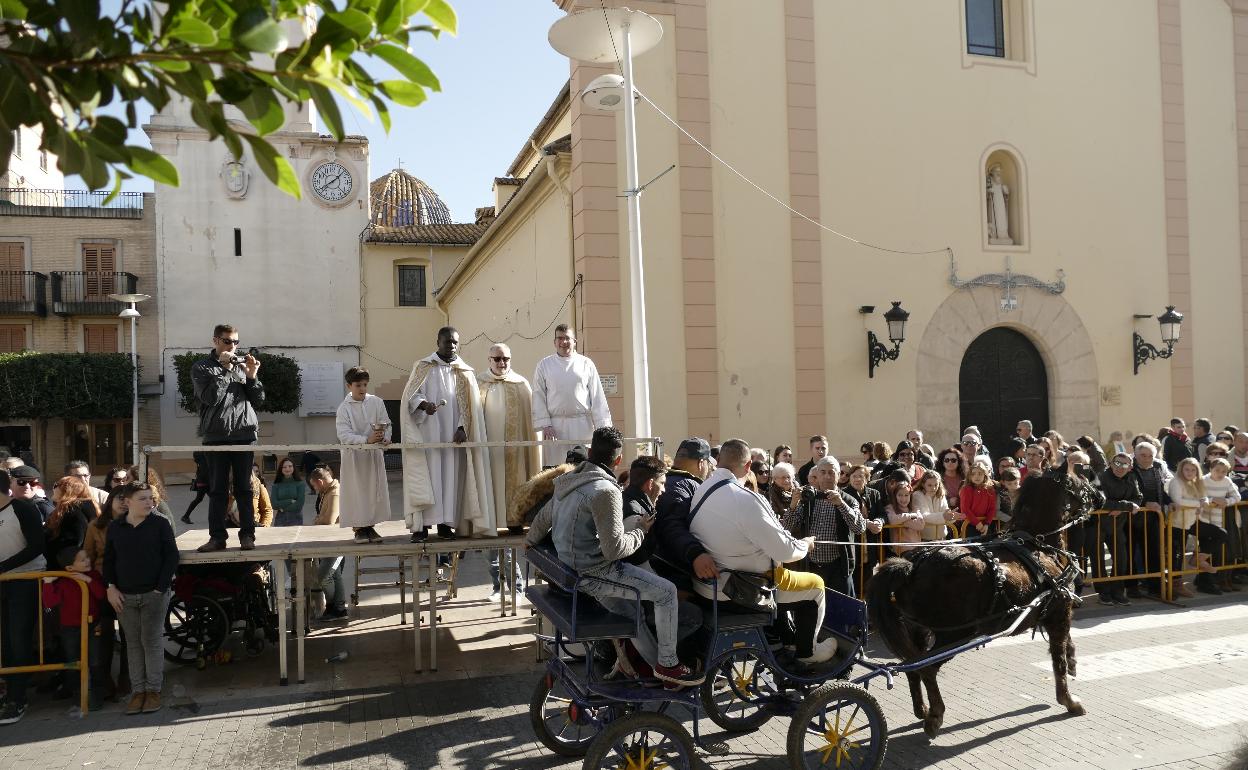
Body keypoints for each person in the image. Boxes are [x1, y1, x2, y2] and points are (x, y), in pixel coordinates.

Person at [550, 427, 701, 686]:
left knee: (641, 611)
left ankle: (652, 666)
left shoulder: (571, 482)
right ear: (618, 460)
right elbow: (616, 552)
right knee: (667, 595)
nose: (664, 492)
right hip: (595, 575)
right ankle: (666, 665)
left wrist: (530, 542)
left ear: (589, 452)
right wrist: (641, 531)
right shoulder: (608, 492)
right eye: (662, 485)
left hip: (577, 571)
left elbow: (544, 517)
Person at [692, 439, 839, 665]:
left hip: (708, 586)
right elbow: (785, 551)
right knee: (816, 585)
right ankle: (807, 652)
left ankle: (788, 639)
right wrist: (806, 544)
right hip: (742, 589)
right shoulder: (745, 499)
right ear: (749, 465)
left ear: (719, 460)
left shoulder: (702, 490)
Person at [400, 327, 494, 543]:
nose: (451, 346)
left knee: (450, 477)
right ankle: (421, 527)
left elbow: (470, 406)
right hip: (428, 433)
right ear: (438, 342)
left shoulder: (464, 371)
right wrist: (423, 405)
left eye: (455, 342)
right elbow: (411, 396)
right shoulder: (423, 366)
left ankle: (445, 525)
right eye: (447, 342)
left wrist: (462, 427)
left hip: (453, 435)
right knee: (427, 477)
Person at [104, 482, 178, 715]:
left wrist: (160, 589)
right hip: (124, 596)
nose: (149, 503)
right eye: (143, 499)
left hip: (153, 594)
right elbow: (108, 560)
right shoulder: (116, 527)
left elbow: (171, 556)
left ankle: (153, 691)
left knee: (152, 641)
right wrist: (111, 587)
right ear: (128, 502)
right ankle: (138, 692)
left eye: (150, 498)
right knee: (133, 643)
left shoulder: (160, 523)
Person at [192, 324, 265, 553]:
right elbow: (210, 398)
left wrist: (252, 377)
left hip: (244, 434)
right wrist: (224, 369)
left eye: (236, 342)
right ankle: (217, 538)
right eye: (227, 341)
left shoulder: (242, 366)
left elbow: (259, 400)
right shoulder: (201, 367)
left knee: (244, 488)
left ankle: (247, 536)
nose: (232, 346)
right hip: (216, 435)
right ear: (215, 341)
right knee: (217, 489)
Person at [784, 455, 881, 598]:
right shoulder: (807, 498)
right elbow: (788, 526)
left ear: (838, 475)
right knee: (811, 612)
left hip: (839, 567)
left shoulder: (848, 499)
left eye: (831, 472)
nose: (827, 476)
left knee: (840, 613)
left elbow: (859, 528)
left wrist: (841, 505)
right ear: (816, 475)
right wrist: (793, 505)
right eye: (823, 472)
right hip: (810, 567)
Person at [477, 343, 541, 533]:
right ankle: (489, 522)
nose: (501, 362)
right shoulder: (479, 383)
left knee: (518, 481)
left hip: (516, 451)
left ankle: (515, 520)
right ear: (489, 360)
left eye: (505, 359)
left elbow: (531, 422)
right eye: (497, 359)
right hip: (488, 450)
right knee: (489, 483)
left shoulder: (520, 384)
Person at [0, 467, 46, 725]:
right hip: (4, 584)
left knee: (19, 638)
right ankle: (10, 694)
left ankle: (18, 698)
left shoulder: (22, 509)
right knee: (5, 641)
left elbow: (37, 546)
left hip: (25, 581)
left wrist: (4, 566)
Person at [531, 324, 613, 467]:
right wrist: (545, 424)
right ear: (554, 342)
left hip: (582, 426)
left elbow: (597, 396)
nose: (564, 342)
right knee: (555, 470)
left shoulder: (586, 364)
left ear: (575, 341)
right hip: (554, 428)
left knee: (581, 466)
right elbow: (538, 395)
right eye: (560, 338)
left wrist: (603, 428)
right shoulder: (544, 365)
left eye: (567, 338)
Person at [42, 547, 106, 709]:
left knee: (95, 660)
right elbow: (50, 602)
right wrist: (48, 584)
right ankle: (75, 691)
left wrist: (88, 580)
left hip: (92, 624)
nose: (87, 561)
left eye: (87, 557)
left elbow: (101, 595)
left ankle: (97, 694)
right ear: (70, 568)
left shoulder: (94, 576)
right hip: (69, 628)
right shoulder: (63, 582)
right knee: (73, 660)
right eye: (82, 560)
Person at [652, 438, 719, 588]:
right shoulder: (684, 485)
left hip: (668, 567)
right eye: (709, 464)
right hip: (675, 572)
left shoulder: (668, 481)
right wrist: (695, 553)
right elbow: (671, 526)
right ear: (702, 463)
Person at [335, 367, 391, 545]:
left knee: (373, 491)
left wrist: (385, 437)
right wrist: (366, 440)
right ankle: (359, 528)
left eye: (365, 384)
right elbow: (343, 435)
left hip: (373, 456)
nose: (362, 388)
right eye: (358, 385)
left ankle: (370, 526)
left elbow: (387, 423)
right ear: (349, 386)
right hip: (354, 457)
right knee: (357, 492)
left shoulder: (377, 402)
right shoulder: (343, 409)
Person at [85, 486, 128, 701]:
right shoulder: (95, 526)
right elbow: (88, 557)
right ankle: (103, 685)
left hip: (129, 584)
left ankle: (127, 680)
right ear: (109, 501)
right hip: (102, 585)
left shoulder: (135, 524)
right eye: (118, 499)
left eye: (126, 499)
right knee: (104, 636)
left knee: (129, 635)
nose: (123, 503)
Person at [1168, 457, 1230, 596]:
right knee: (1177, 555)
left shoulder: (1198, 482)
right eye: (1187, 469)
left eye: (1193, 469)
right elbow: (1178, 500)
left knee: (1221, 533)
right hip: (1178, 523)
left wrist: (1203, 501)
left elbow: (1204, 498)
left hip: (1194, 520)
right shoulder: (1175, 482)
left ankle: (1199, 559)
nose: (1190, 472)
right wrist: (1198, 503)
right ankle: (1175, 584)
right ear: (1181, 469)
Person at [1132, 440, 1173, 598]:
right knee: (1132, 554)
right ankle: (1132, 587)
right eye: (1143, 455)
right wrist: (1145, 503)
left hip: (1155, 518)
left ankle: (1155, 587)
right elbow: (1128, 493)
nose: (1147, 459)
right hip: (1134, 519)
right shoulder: (1130, 469)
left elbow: (1160, 491)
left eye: (1150, 456)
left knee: (1155, 553)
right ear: (1136, 455)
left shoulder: (1157, 467)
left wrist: (1171, 502)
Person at [308, 467, 348, 621]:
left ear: (320, 481)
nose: (315, 489)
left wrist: (316, 521)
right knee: (335, 574)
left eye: (314, 486)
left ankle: (335, 606)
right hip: (328, 540)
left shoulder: (334, 492)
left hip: (335, 540)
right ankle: (338, 609)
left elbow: (329, 520)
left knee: (324, 576)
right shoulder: (327, 491)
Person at [1202, 457, 1242, 592]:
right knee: (1207, 552)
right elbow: (1199, 496)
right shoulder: (1203, 480)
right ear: (1210, 469)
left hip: (1220, 520)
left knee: (1220, 552)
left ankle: (1219, 580)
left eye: (1224, 471)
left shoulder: (1227, 481)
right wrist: (1213, 500)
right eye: (1217, 470)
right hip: (1205, 521)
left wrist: (1226, 501)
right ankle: (1206, 581)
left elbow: (1237, 497)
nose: (1220, 473)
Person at [45, 476, 97, 568]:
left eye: (56, 485)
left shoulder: (72, 510)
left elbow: (75, 541)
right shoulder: (84, 508)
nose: (54, 488)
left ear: (66, 489)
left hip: (69, 568)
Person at [914, 469, 955, 541]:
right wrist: (944, 516)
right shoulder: (917, 495)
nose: (933, 488)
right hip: (924, 539)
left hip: (942, 538)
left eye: (936, 485)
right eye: (929, 485)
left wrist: (952, 517)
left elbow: (946, 514)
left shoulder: (941, 494)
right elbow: (923, 516)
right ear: (923, 484)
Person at [960, 464, 997, 536]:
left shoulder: (990, 490)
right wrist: (976, 522)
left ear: (985, 475)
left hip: (985, 525)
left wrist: (987, 524)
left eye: (980, 474)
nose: (977, 476)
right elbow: (965, 509)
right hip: (970, 524)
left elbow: (992, 508)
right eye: (973, 474)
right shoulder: (966, 489)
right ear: (970, 476)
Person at [270, 457, 306, 527]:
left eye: (290, 466)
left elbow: (299, 504)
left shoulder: (300, 484)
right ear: (281, 469)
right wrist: (289, 501)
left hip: (296, 518)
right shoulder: (276, 485)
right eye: (284, 467)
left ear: (294, 467)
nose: (287, 469)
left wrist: (282, 508)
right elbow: (274, 504)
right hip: (280, 518)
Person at [180, 451, 210, 524]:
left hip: (200, 482)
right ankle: (218, 517)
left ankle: (185, 516)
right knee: (215, 499)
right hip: (205, 482)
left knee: (198, 499)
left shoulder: (199, 461)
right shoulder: (204, 460)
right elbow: (206, 472)